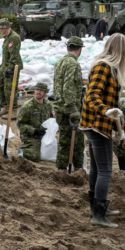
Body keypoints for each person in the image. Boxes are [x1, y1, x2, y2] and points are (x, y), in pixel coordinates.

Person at [79, 33, 125, 228]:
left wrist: (120, 129)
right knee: (105, 170)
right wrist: (105, 111)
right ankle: (98, 215)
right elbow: (91, 96)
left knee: (98, 169)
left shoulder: (112, 69)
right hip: (96, 124)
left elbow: (112, 103)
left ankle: (96, 208)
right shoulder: (103, 67)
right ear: (119, 50)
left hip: (102, 124)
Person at [52, 36, 85, 171]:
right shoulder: (73, 64)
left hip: (60, 108)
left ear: (67, 48)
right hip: (69, 110)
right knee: (73, 142)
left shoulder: (59, 63)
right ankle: (71, 170)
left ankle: (65, 169)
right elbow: (68, 87)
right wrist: (73, 110)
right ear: (80, 49)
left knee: (65, 141)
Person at [17, 82, 53, 162]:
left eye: (41, 90)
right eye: (37, 90)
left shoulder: (48, 105)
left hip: (44, 134)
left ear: (45, 92)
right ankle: (21, 151)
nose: (38, 92)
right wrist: (34, 130)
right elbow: (20, 124)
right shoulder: (27, 106)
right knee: (34, 156)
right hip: (30, 135)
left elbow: (52, 120)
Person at [0, 18, 22, 119]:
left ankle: (14, 110)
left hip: (12, 67)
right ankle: (6, 106)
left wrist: (10, 69)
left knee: (10, 89)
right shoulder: (7, 37)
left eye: (0, 28)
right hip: (5, 66)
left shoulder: (14, 37)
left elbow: (14, 55)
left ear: (5, 27)